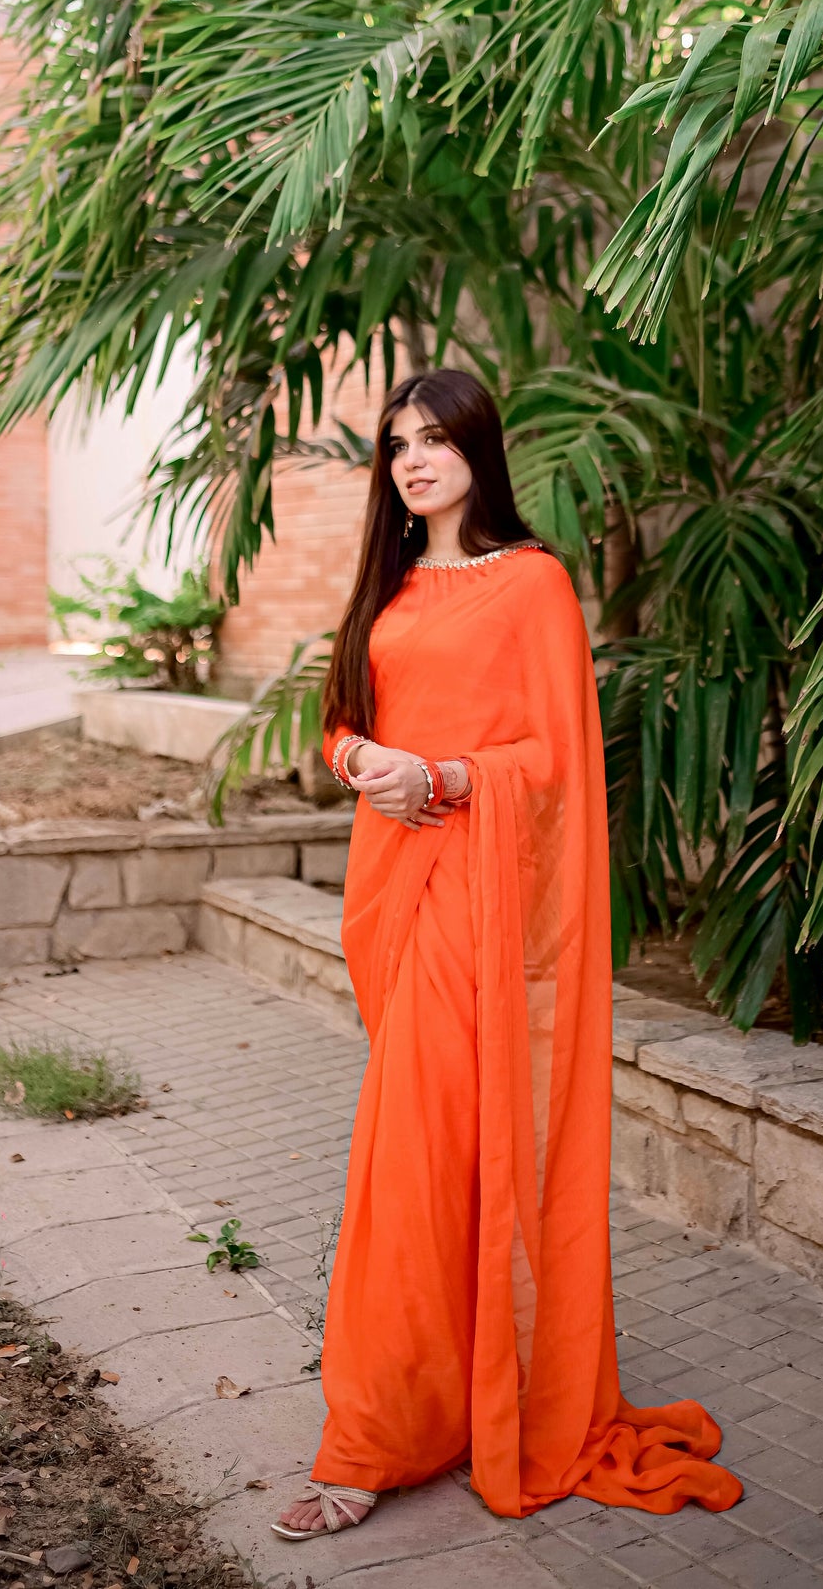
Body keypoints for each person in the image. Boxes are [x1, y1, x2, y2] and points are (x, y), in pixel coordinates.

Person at [272, 369, 743, 1541]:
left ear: (478, 448)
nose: (414, 462)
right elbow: (339, 722)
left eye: (434, 439)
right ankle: (436, 1397)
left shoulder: (533, 585)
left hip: (478, 907)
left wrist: (447, 776)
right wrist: (360, 765)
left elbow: (558, 760)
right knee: (428, 1157)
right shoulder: (385, 583)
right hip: (393, 893)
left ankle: (371, 1439)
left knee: (414, 1165)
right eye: (396, 447)